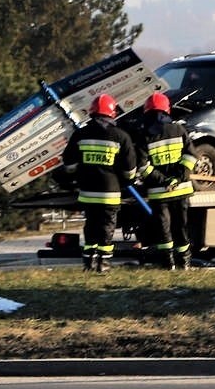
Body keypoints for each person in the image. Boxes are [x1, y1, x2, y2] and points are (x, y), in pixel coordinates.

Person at [62, 93, 137, 273]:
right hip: (110, 193)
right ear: (112, 113)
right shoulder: (121, 136)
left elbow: (69, 164)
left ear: (92, 113)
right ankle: (103, 264)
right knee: (107, 228)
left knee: (91, 227)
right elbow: (130, 171)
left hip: (88, 192)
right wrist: (125, 181)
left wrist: (79, 173)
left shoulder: (80, 134)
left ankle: (88, 263)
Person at [134, 92, 197, 269]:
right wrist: (178, 177)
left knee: (164, 229)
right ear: (167, 110)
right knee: (182, 227)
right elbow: (191, 156)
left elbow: (143, 167)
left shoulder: (144, 136)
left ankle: (168, 264)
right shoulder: (179, 130)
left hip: (159, 193)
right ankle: (184, 262)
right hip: (181, 189)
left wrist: (164, 181)